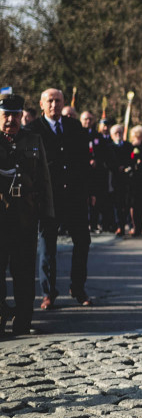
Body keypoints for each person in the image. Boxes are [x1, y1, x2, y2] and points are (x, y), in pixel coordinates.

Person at [23, 88, 92, 309]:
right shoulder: (33, 130)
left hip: (75, 196)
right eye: (50, 101)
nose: (54, 105)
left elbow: (84, 162)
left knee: (82, 242)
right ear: (42, 104)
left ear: (64, 104)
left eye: (58, 101)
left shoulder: (75, 128)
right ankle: (48, 292)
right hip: (48, 198)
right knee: (47, 246)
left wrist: (88, 193)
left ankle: (78, 287)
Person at [0, 94, 53, 337]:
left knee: (23, 274)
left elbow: (44, 179)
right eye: (5, 115)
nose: (10, 119)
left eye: (15, 115)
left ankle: (22, 321)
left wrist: (48, 214)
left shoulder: (34, 139)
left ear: (22, 116)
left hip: (25, 219)